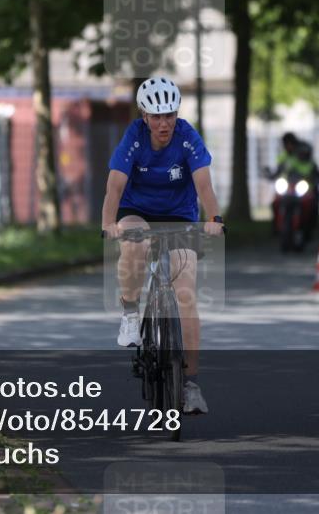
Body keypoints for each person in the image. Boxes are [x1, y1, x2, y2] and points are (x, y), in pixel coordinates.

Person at [101, 77, 224, 415]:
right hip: (136, 211)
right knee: (134, 244)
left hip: (180, 216)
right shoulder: (134, 138)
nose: (163, 123)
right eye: (155, 117)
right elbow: (114, 187)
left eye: (169, 115)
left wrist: (214, 218)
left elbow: (204, 184)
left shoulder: (187, 137)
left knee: (186, 295)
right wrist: (108, 225)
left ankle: (191, 384)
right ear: (144, 116)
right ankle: (129, 314)